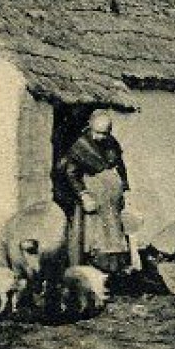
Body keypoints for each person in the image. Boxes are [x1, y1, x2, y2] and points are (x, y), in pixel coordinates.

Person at [53, 110, 132, 275]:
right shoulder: (81, 146)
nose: (101, 137)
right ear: (90, 126)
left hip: (111, 203)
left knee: (114, 235)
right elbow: (71, 173)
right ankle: (90, 273)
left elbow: (120, 166)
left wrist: (124, 188)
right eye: (97, 132)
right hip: (92, 201)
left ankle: (114, 274)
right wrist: (84, 195)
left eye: (105, 133)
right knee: (92, 238)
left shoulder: (112, 143)